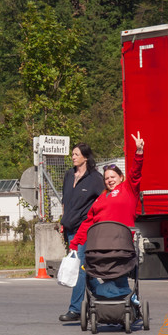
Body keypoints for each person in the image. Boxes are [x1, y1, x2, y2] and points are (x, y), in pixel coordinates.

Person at [69, 132, 144, 300]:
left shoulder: (128, 190)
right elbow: (88, 222)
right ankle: (112, 298)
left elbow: (136, 173)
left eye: (113, 177)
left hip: (121, 245)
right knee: (88, 271)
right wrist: (74, 244)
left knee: (119, 274)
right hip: (101, 247)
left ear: (121, 177)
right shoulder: (100, 199)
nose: (110, 180)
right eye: (106, 178)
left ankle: (122, 298)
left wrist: (139, 152)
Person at [58, 143, 104, 322]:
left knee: (78, 268)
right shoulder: (69, 175)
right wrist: (63, 222)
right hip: (69, 229)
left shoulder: (95, 178)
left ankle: (75, 309)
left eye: (76, 154)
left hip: (85, 229)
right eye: (72, 154)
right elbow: (65, 201)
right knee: (84, 269)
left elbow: (103, 202)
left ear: (85, 157)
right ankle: (108, 296)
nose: (73, 157)